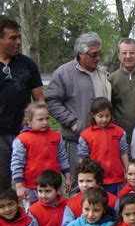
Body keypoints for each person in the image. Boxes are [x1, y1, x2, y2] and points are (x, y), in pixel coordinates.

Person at [45, 32, 110, 195]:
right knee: (79, 185)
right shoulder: (64, 73)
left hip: (101, 139)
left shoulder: (102, 72)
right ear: (81, 54)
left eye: (99, 53)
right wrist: (73, 122)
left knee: (100, 184)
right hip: (76, 140)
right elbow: (51, 100)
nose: (98, 58)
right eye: (93, 54)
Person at [0, 17, 44, 191]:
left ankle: (29, 216)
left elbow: (39, 99)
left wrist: (41, 125)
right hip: (0, 135)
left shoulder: (27, 64)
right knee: (2, 182)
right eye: (12, 38)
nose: (18, 42)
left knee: (31, 181)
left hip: (25, 133)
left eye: (19, 37)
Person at [10, 101, 70, 208]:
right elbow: (17, 164)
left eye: (47, 118)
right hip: (31, 186)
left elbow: (62, 157)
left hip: (53, 185)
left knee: (55, 212)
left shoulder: (56, 136)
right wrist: (19, 186)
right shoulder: (22, 139)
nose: (45, 122)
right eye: (40, 119)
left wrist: (68, 177)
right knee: (33, 215)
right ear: (29, 121)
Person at [77, 97, 129, 195]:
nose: (104, 119)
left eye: (107, 116)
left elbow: (123, 152)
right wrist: (83, 177)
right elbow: (83, 158)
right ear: (93, 115)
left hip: (117, 178)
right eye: (100, 116)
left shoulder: (119, 132)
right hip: (96, 180)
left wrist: (127, 170)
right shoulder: (85, 135)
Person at [62, 158, 118, 226]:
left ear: (98, 182)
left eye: (89, 181)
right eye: (81, 181)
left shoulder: (113, 200)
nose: (84, 185)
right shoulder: (72, 204)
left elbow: (119, 224)